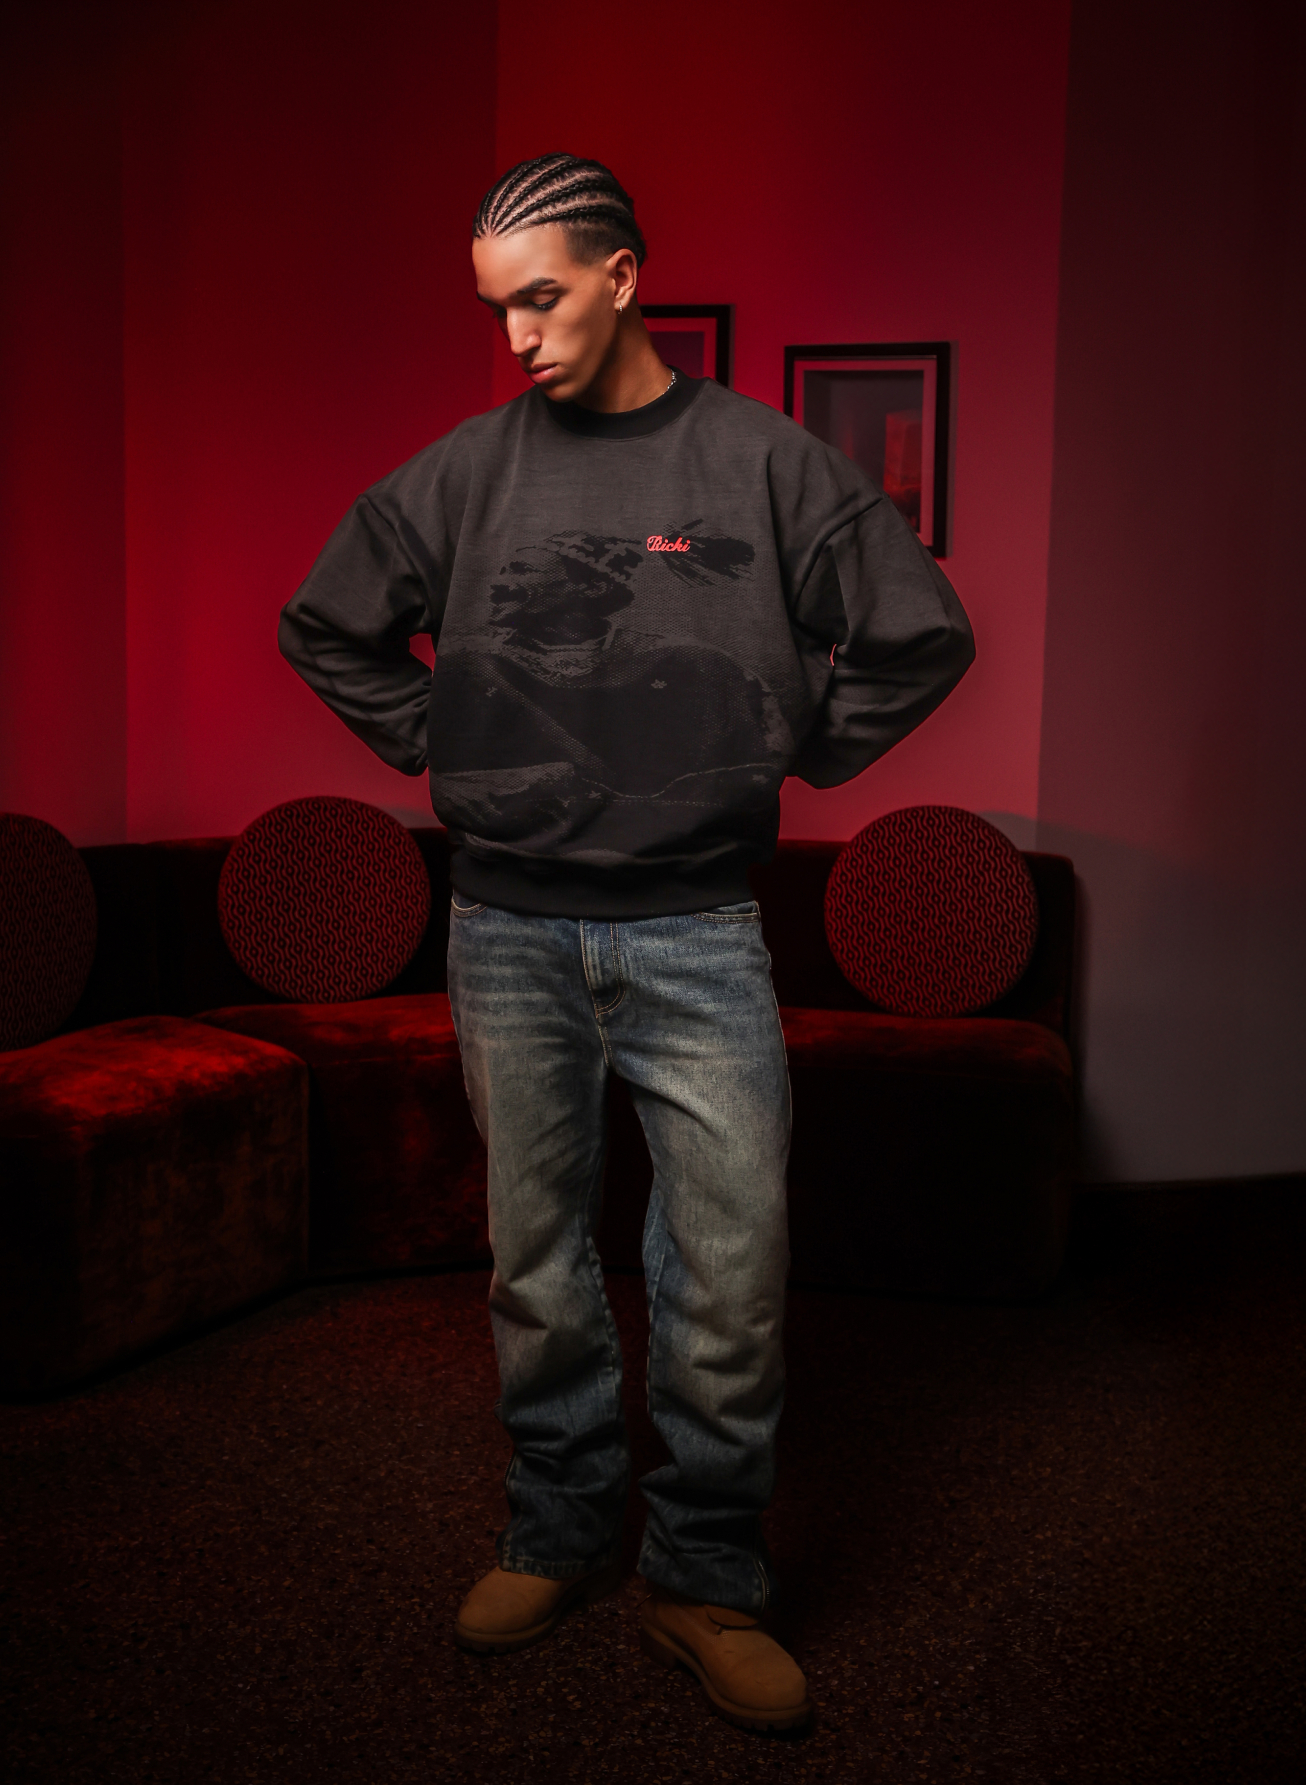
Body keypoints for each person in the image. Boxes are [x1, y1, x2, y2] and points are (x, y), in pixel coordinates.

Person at [279, 152, 974, 1732]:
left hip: (697, 931)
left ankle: (705, 1575)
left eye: (539, 297)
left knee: (728, 1270)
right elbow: (327, 623)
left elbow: (918, 631)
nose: (517, 335)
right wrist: (442, 737)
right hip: (507, 932)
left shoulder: (763, 463)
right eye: (494, 309)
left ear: (621, 274)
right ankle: (556, 1527)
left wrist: (788, 743)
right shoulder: (463, 473)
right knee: (536, 1266)